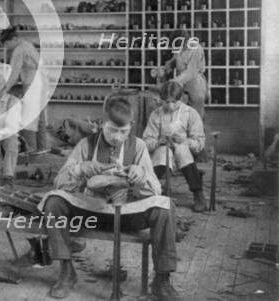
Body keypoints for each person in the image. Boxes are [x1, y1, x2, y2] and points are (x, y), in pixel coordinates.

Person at [40, 95, 179, 300]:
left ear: (131, 126)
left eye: (123, 132)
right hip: (90, 214)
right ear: (101, 123)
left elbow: (155, 189)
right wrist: (80, 169)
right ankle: (67, 272)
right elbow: (59, 182)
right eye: (112, 130)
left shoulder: (138, 146)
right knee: (54, 202)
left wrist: (141, 176)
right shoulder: (86, 145)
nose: (116, 136)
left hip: (126, 216)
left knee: (165, 207)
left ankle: (162, 280)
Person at [144, 80, 207, 212]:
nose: (170, 105)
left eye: (174, 101)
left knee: (181, 151)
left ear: (181, 99)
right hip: (163, 148)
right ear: (161, 100)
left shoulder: (190, 113)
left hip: (185, 150)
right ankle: (150, 191)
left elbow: (200, 143)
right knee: (163, 153)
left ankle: (198, 193)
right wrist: (157, 142)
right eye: (167, 101)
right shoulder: (156, 114)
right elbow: (147, 141)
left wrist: (186, 141)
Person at [0, 26, 49, 155]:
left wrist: (4, 90)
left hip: (33, 83)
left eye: (6, 43)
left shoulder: (19, 50)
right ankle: (42, 147)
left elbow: (14, 74)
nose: (6, 46)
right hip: (42, 81)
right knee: (40, 116)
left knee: (29, 115)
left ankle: (31, 148)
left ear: (14, 39)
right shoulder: (28, 45)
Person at [164, 29, 208, 118]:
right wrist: (170, 63)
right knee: (182, 114)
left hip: (195, 83)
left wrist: (174, 81)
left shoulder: (197, 49)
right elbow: (176, 58)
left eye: (181, 46)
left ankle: (198, 131)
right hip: (181, 82)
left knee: (196, 115)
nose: (179, 48)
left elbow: (191, 72)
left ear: (187, 41)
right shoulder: (179, 46)